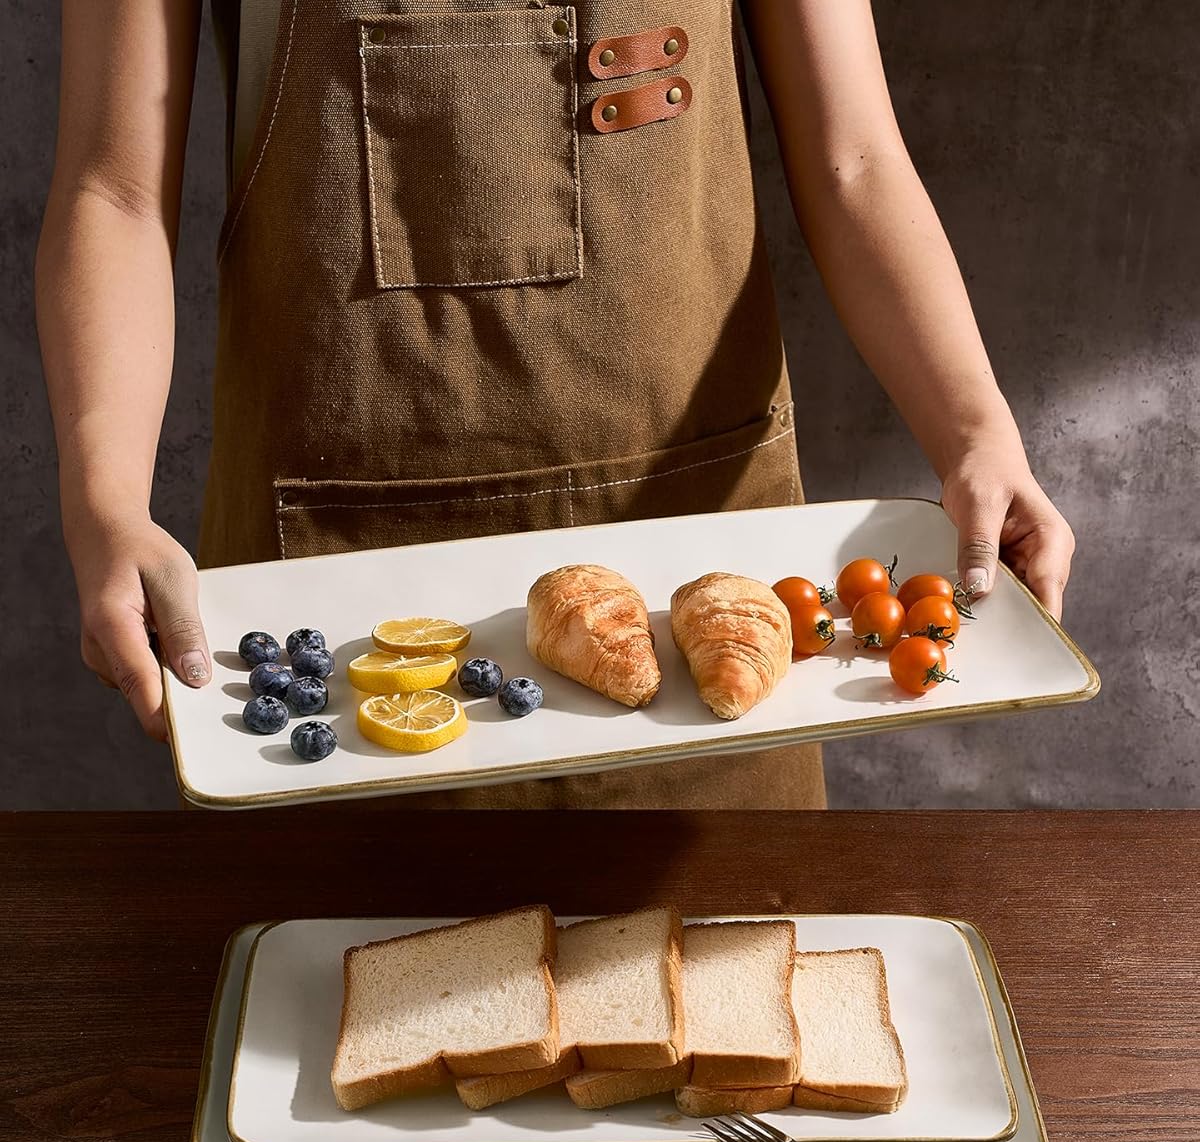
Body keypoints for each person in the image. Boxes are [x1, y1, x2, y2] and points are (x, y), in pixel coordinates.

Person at [37, 1, 1074, 807]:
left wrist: (974, 428)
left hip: (699, 564)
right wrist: (104, 498)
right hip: (331, 588)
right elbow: (111, 187)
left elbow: (855, 158)